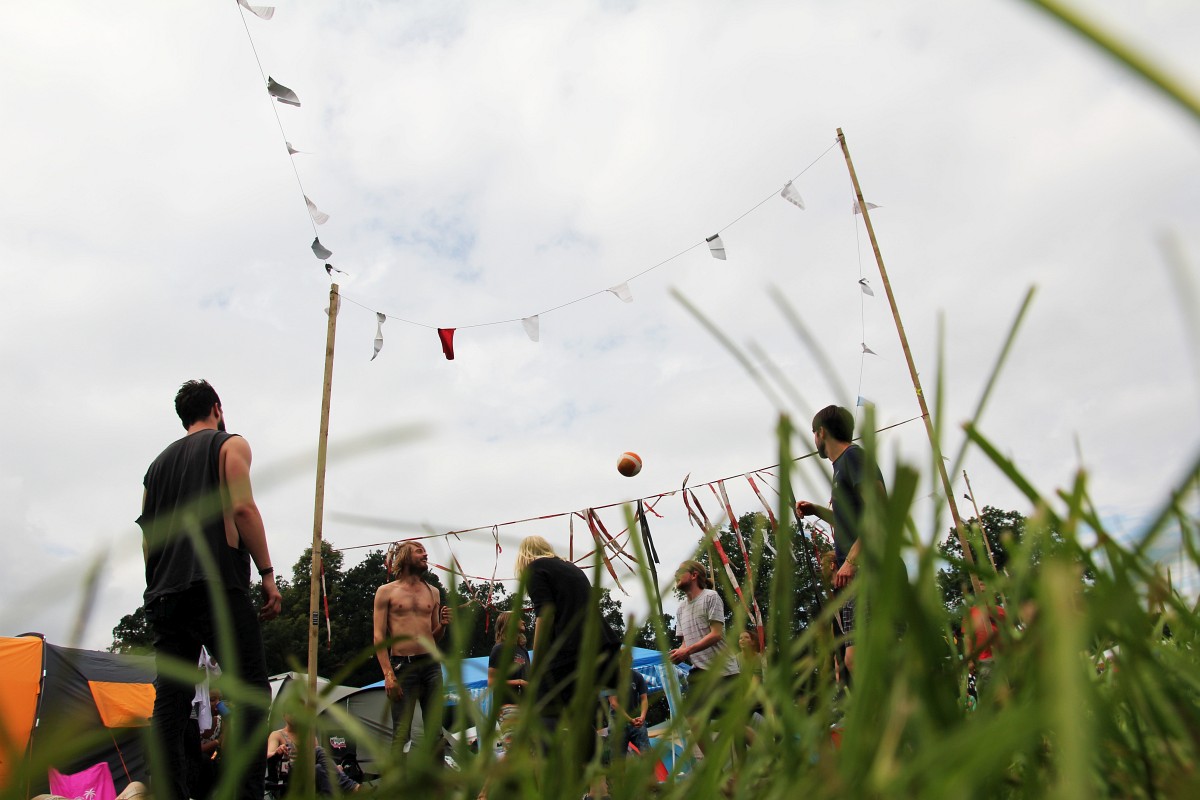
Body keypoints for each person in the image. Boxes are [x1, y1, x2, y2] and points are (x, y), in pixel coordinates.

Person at [138, 380, 281, 800]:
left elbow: (148, 537)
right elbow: (241, 507)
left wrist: (157, 587)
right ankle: (246, 791)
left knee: (171, 698)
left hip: (164, 592)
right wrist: (268, 574)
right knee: (253, 688)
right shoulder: (229, 445)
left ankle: (168, 792)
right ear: (217, 408)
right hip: (216, 583)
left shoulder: (155, 467)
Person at [515, 536, 621, 783]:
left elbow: (546, 614)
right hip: (598, 646)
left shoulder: (535, 568)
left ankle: (551, 785)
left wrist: (537, 658)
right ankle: (599, 790)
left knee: (542, 716)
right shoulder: (571, 568)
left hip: (569, 650)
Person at [795, 404, 886, 678]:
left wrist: (850, 562)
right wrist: (818, 511)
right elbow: (852, 520)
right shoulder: (841, 469)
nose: (815, 440)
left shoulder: (854, 458)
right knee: (853, 661)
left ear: (821, 432)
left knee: (860, 659)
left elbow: (879, 512)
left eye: (814, 434)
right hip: (854, 575)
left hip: (867, 571)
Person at [373, 540, 451, 770]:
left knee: (435, 730)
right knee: (401, 733)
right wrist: (388, 674)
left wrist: (443, 625)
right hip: (401, 666)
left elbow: (433, 638)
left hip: (431, 666)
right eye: (419, 551)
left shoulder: (433, 592)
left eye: (425, 551)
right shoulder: (386, 592)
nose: (425, 554)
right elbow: (378, 637)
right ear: (406, 556)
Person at [668, 561, 741, 724]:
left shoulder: (710, 597)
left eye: (680, 571)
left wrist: (687, 651)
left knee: (737, 726)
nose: (676, 575)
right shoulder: (680, 609)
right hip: (699, 671)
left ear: (694, 575)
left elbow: (716, 634)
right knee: (693, 719)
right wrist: (680, 652)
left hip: (724, 672)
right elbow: (685, 641)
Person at [266, 715, 360, 796]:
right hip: (289, 776)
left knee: (318, 768)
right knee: (318, 750)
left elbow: (320, 761)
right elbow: (268, 755)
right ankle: (351, 787)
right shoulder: (277, 735)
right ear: (284, 716)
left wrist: (334, 768)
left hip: (309, 776)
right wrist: (277, 751)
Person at [487, 611, 530, 749]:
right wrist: (519, 682)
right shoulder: (499, 649)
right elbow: (492, 682)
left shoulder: (522, 650)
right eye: (518, 619)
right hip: (508, 706)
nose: (523, 621)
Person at [607, 669, 651, 755]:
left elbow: (644, 699)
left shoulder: (637, 676)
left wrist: (642, 717)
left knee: (647, 754)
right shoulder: (611, 679)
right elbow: (613, 703)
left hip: (637, 721)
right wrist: (630, 720)